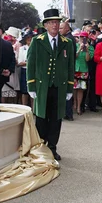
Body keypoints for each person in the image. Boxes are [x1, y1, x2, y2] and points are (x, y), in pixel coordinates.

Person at [26, 9, 75, 161]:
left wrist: (69, 87)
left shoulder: (67, 43)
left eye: (57, 22)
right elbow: (31, 64)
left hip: (59, 87)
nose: (55, 25)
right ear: (46, 25)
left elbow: (70, 66)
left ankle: (52, 147)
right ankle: (41, 147)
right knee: (41, 118)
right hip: (42, 87)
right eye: (52, 22)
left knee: (56, 118)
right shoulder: (37, 41)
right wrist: (31, 85)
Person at [73, 31, 93, 115]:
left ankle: (78, 107)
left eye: (84, 38)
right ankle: (74, 103)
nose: (82, 39)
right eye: (80, 37)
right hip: (75, 69)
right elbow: (74, 57)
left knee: (81, 89)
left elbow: (88, 59)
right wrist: (79, 49)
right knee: (74, 88)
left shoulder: (90, 47)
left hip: (83, 70)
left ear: (87, 39)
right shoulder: (75, 45)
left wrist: (87, 49)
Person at [60, 21, 76, 121]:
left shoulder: (68, 39)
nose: (59, 30)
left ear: (67, 28)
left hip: (66, 69)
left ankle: (68, 113)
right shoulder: (68, 38)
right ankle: (67, 113)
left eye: (61, 28)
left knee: (66, 91)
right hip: (67, 68)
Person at [17, 31, 34, 107]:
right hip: (25, 71)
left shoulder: (37, 48)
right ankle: (24, 108)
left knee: (33, 90)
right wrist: (30, 62)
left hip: (34, 71)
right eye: (28, 38)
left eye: (31, 38)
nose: (29, 39)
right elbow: (20, 63)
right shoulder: (22, 49)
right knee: (24, 92)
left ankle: (34, 110)